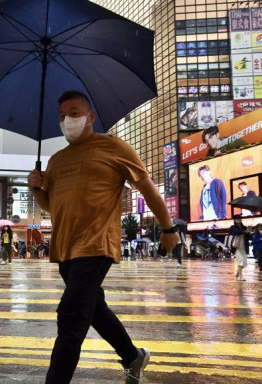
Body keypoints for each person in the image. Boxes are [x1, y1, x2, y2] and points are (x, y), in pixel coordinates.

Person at [27, 90, 177, 384]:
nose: (66, 120)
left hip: (96, 245)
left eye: (73, 113)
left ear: (90, 116)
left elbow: (146, 186)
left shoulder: (114, 147)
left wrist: (168, 229)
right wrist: (36, 189)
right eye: (61, 116)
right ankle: (132, 356)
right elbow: (51, 205)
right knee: (94, 308)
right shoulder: (56, 160)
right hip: (64, 251)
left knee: (70, 318)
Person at [228, 215, 250, 281]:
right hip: (236, 247)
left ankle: (238, 272)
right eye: (237, 219)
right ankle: (240, 276)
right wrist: (244, 231)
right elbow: (236, 232)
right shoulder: (233, 227)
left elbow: (248, 237)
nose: (238, 220)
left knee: (244, 262)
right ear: (234, 220)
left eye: (239, 219)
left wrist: (249, 231)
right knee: (240, 260)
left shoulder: (244, 227)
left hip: (243, 247)